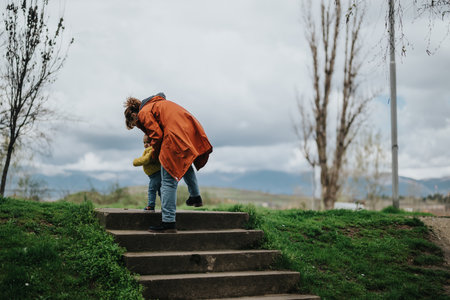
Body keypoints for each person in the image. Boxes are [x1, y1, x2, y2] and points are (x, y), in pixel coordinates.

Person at [124, 92, 212, 233]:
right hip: (187, 132)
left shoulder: (144, 112)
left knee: (168, 180)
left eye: (134, 125)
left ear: (134, 116)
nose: (138, 127)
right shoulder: (157, 104)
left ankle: (168, 223)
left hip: (174, 137)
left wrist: (155, 154)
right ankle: (195, 196)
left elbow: (156, 135)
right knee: (185, 162)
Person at [133, 134, 161, 211]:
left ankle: (151, 205)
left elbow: (145, 160)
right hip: (155, 175)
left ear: (153, 141)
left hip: (156, 174)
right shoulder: (150, 150)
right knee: (161, 191)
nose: (145, 145)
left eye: (147, 142)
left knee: (152, 190)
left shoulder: (152, 150)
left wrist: (135, 161)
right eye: (144, 143)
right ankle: (165, 206)